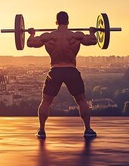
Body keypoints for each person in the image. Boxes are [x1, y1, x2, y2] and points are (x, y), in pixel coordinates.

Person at [27, 11, 98, 139]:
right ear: (68, 22)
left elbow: (30, 43)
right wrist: (92, 31)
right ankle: (87, 129)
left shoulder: (48, 37)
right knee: (81, 100)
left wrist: (32, 34)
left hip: (55, 71)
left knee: (46, 101)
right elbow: (93, 41)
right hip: (71, 70)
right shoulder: (76, 36)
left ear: (56, 22)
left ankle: (41, 130)